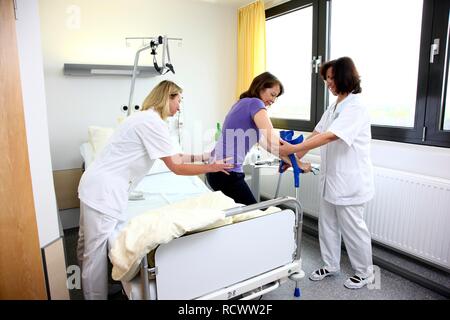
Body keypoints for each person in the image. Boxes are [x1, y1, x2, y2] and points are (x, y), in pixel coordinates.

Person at [76, 80, 233, 300]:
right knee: (93, 253)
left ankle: (94, 286)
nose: (179, 107)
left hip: (95, 186)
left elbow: (175, 155)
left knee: (85, 243)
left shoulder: (145, 118)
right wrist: (211, 167)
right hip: (104, 192)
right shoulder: (152, 123)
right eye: (178, 101)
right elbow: (176, 167)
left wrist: (203, 157)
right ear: (168, 97)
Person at [279, 57, 375, 289]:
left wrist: (294, 149)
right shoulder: (333, 107)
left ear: (345, 77)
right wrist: (294, 158)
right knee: (328, 224)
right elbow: (317, 133)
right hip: (332, 180)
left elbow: (331, 136)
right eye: (326, 79)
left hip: (350, 181)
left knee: (353, 229)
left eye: (331, 78)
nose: (328, 83)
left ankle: (366, 273)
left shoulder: (356, 107)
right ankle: (331, 265)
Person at [206, 72, 311, 205]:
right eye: (272, 94)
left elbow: (269, 145)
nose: (273, 100)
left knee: (241, 216)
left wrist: (291, 162)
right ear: (261, 87)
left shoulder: (241, 103)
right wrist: (299, 162)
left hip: (215, 172)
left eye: (276, 97)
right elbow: (274, 140)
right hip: (227, 173)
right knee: (255, 216)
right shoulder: (255, 103)